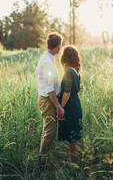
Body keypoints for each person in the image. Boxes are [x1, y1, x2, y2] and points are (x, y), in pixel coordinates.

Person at [36, 32, 65, 167]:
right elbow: (49, 89)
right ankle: (42, 162)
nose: (61, 48)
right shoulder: (47, 61)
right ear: (57, 46)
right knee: (50, 131)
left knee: (48, 130)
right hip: (48, 100)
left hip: (48, 99)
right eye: (60, 45)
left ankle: (44, 157)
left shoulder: (49, 57)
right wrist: (58, 106)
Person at [57, 45, 83, 163]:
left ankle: (75, 164)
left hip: (70, 106)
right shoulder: (76, 71)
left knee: (72, 137)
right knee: (75, 135)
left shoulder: (68, 72)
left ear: (65, 57)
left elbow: (66, 93)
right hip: (76, 104)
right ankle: (77, 160)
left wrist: (60, 107)